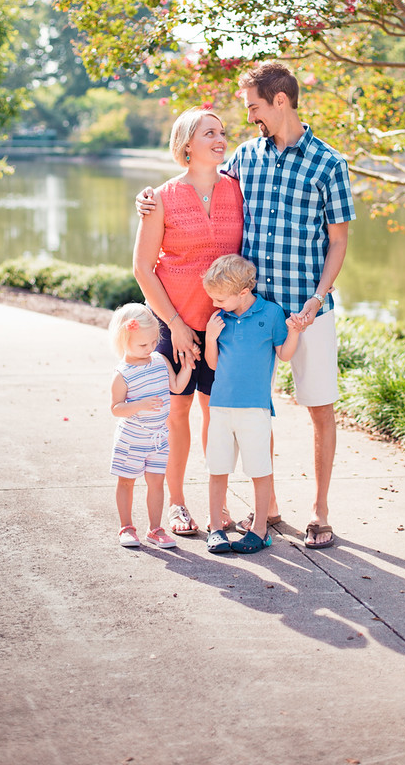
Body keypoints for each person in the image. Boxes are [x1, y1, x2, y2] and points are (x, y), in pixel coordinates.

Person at [137, 62, 355, 547]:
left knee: (317, 407)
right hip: (245, 314)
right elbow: (192, 178)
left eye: (253, 106)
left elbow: (339, 242)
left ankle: (319, 511)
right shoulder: (244, 159)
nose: (248, 117)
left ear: (280, 101)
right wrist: (146, 198)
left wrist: (318, 299)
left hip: (305, 309)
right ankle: (266, 506)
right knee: (253, 406)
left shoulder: (329, 164)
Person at [132, 107, 244, 536]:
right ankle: (177, 504)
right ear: (186, 145)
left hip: (224, 325)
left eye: (222, 132)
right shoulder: (160, 197)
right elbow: (143, 268)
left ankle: (220, 503)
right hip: (173, 323)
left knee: (218, 415)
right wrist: (176, 326)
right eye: (209, 133)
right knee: (176, 412)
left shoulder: (238, 189)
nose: (220, 138)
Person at [202, 254, 301, 554]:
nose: (215, 304)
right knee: (217, 468)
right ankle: (216, 527)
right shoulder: (220, 319)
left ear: (243, 292)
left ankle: (260, 529)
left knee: (259, 469)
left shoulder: (270, 314)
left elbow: (284, 354)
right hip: (220, 407)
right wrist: (209, 337)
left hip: (255, 409)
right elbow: (213, 363)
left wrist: (294, 330)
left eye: (220, 298)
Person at [109, 303, 193, 549]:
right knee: (126, 481)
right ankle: (126, 527)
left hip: (158, 439)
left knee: (157, 483)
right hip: (132, 438)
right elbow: (116, 408)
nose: (150, 349)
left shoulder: (159, 360)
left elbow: (176, 386)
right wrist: (140, 404)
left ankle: (155, 529)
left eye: (154, 342)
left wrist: (187, 367)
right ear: (124, 341)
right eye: (142, 345)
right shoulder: (122, 374)